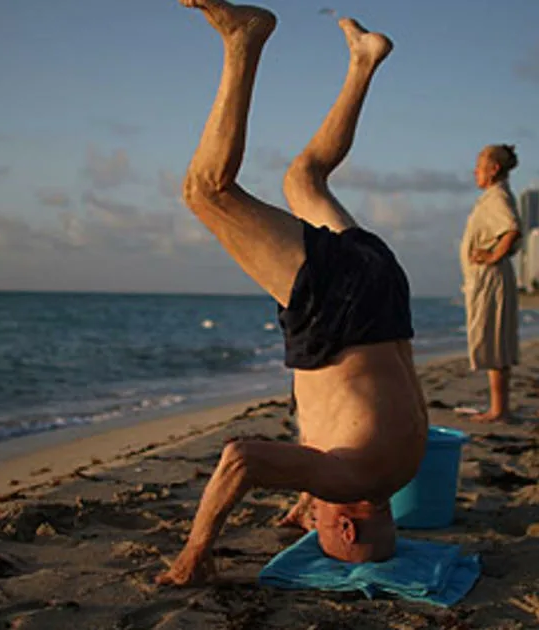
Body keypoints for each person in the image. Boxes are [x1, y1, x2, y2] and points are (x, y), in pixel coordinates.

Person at [155, 0, 429, 587]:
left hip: (384, 287)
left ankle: (364, 61)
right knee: (207, 192)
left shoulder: (400, 467)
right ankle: (244, 39)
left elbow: (342, 415)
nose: (312, 522)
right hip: (344, 306)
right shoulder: (350, 478)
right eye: (323, 530)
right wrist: (195, 552)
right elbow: (243, 460)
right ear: (348, 527)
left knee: (304, 177)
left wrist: (309, 495)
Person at [459, 144, 523, 423]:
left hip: (490, 276)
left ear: (494, 169)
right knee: (495, 338)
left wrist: (493, 255)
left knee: (493, 339)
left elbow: (512, 228)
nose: (475, 170)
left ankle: (498, 409)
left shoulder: (497, 197)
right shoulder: (494, 196)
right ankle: (500, 407)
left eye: (480, 164)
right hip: (489, 276)